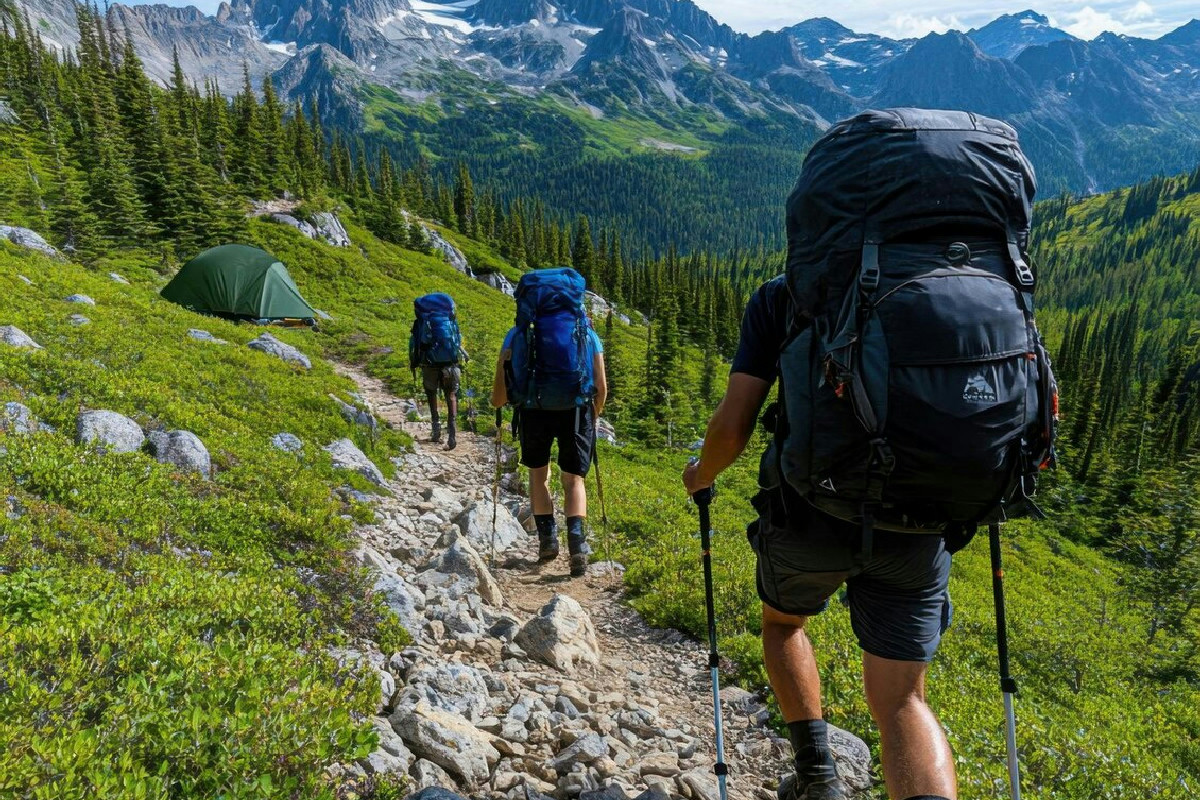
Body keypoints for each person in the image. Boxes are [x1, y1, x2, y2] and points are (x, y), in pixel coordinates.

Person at [682, 274, 957, 800]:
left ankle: (818, 779)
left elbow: (734, 426)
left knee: (783, 624)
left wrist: (703, 474)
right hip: (918, 524)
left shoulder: (785, 294)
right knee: (903, 701)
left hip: (809, 512)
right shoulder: (942, 292)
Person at [491, 317, 607, 578]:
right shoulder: (586, 333)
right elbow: (601, 387)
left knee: (538, 475)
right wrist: (592, 415)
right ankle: (577, 547)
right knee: (574, 480)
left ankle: (548, 541)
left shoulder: (517, 334)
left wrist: (501, 402)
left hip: (533, 411)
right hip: (577, 413)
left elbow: (499, 396)